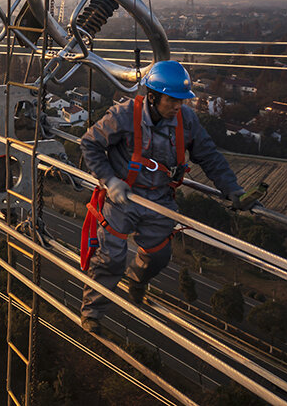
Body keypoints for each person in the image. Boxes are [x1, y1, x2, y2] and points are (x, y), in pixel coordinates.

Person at [78, 60, 252, 335]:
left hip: (159, 197)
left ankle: (136, 281)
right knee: (110, 258)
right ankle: (92, 314)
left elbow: (208, 155)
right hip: (122, 197)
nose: (177, 107)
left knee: (158, 256)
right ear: (153, 96)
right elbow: (90, 143)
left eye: (182, 101)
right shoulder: (124, 116)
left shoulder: (186, 120)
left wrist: (232, 189)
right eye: (172, 100)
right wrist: (110, 180)